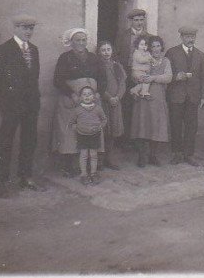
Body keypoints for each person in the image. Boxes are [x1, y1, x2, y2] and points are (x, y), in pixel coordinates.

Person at [0, 13, 45, 198]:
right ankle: (0, 182)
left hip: (31, 104)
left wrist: (34, 99)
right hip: (11, 105)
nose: (29, 32)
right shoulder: (4, 50)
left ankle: (25, 177)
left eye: (31, 28)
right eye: (25, 28)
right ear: (16, 28)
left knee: (29, 141)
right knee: (6, 142)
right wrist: (5, 101)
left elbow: (33, 78)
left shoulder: (34, 50)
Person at [52, 27, 105, 175]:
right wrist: (72, 94)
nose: (81, 43)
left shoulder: (94, 58)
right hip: (71, 99)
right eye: (78, 40)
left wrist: (99, 93)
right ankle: (69, 165)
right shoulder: (65, 58)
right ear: (71, 42)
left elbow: (102, 78)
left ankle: (90, 164)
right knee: (69, 131)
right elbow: (57, 80)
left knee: (91, 127)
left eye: (84, 40)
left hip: (91, 99)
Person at [165, 25, 204, 166]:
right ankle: (176, 154)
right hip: (176, 96)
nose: (191, 39)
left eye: (193, 37)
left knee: (191, 126)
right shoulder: (172, 53)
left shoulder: (200, 55)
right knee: (175, 125)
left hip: (193, 97)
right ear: (181, 37)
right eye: (188, 37)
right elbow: (165, 74)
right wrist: (176, 77)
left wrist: (203, 97)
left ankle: (189, 154)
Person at [130, 36, 172, 167]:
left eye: (158, 46)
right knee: (143, 125)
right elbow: (135, 74)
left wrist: (153, 78)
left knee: (156, 125)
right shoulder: (145, 60)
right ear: (149, 48)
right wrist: (139, 78)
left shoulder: (165, 61)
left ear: (161, 47)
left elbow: (168, 77)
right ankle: (142, 155)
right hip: (143, 97)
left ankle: (152, 155)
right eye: (153, 46)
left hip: (158, 97)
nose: (156, 49)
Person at [115, 9, 155, 145]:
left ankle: (139, 141)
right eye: (136, 20)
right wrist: (121, 73)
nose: (139, 23)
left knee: (140, 107)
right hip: (126, 75)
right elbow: (116, 55)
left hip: (142, 75)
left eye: (141, 20)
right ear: (131, 21)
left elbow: (153, 57)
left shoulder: (149, 37)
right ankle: (125, 140)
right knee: (126, 106)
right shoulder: (122, 36)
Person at [97, 40, 127, 170]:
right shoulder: (97, 66)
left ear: (112, 51)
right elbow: (98, 86)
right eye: (103, 50)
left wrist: (117, 97)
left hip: (115, 103)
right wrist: (109, 97)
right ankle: (99, 160)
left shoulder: (117, 66)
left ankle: (108, 158)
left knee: (113, 130)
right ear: (99, 52)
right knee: (103, 130)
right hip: (103, 102)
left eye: (108, 49)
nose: (106, 52)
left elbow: (122, 84)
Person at [73, 85, 108, 185]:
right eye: (84, 94)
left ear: (94, 96)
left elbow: (104, 119)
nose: (87, 96)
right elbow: (72, 122)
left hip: (94, 135)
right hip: (82, 135)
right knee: (83, 155)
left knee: (93, 155)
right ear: (80, 97)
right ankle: (83, 174)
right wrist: (77, 128)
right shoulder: (77, 110)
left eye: (89, 94)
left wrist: (100, 127)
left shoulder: (98, 108)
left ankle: (93, 174)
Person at [53, 77, 87, 176]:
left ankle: (77, 164)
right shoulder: (64, 65)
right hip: (68, 99)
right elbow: (57, 80)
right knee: (67, 136)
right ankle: (67, 166)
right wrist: (72, 94)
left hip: (83, 98)